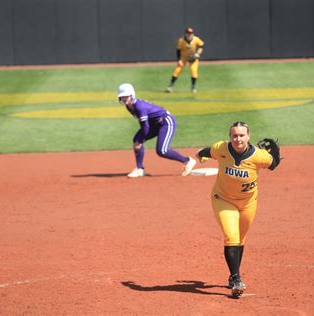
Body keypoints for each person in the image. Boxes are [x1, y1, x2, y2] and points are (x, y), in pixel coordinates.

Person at [195, 121, 281, 298]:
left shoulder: (259, 156)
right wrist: (200, 155)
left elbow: (273, 164)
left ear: (248, 137)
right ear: (230, 137)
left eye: (242, 135)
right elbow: (206, 151)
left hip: (249, 202)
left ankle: (234, 274)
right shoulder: (221, 148)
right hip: (223, 199)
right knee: (231, 236)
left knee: (240, 238)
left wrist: (276, 153)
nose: (238, 139)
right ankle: (236, 279)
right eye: (234, 135)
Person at [117, 83, 196, 178]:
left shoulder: (139, 107)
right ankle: (139, 169)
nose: (124, 99)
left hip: (166, 122)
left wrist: (141, 141)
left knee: (162, 151)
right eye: (122, 97)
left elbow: (145, 127)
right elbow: (144, 124)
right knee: (137, 139)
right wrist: (140, 140)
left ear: (132, 95)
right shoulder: (129, 106)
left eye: (126, 96)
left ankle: (187, 161)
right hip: (154, 124)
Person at [165, 27, 204, 93]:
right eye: (188, 33)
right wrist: (179, 60)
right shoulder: (181, 40)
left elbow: (201, 45)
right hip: (184, 57)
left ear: (193, 33)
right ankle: (170, 86)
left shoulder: (196, 39)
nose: (189, 34)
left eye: (191, 33)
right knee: (177, 71)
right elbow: (178, 50)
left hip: (193, 57)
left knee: (194, 71)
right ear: (185, 33)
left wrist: (197, 54)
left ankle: (193, 87)